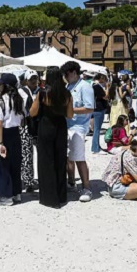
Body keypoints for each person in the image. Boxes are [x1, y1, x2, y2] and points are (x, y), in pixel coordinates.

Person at [30, 66, 73, 208]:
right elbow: (70, 115)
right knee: (60, 160)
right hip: (61, 127)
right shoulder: (67, 94)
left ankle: (49, 197)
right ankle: (61, 195)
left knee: (46, 161)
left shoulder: (43, 93)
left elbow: (32, 113)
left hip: (46, 126)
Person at [61, 61, 95, 202]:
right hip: (67, 125)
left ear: (74, 73)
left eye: (66, 74)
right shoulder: (68, 86)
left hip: (79, 126)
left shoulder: (85, 87)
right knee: (69, 157)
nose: (65, 77)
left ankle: (86, 187)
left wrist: (69, 110)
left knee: (79, 158)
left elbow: (89, 108)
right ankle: (71, 182)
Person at [0, 73, 25, 206]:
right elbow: (23, 119)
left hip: (4, 134)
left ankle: (6, 196)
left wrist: (0, 142)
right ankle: (17, 193)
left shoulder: (1, 101)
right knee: (15, 164)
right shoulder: (19, 99)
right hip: (16, 133)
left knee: (3, 165)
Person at [18, 70, 39, 192]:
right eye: (31, 79)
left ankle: (32, 179)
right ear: (26, 80)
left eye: (35, 78)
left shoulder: (37, 91)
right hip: (25, 126)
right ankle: (28, 181)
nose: (34, 81)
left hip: (34, 125)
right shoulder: (22, 92)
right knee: (26, 154)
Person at [91, 73, 108, 154]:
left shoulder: (94, 85)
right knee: (97, 130)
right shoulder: (97, 86)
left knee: (96, 129)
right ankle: (96, 148)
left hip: (97, 109)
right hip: (99, 109)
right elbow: (105, 97)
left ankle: (96, 146)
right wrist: (107, 88)